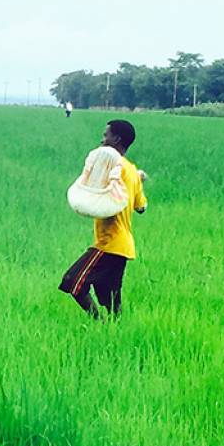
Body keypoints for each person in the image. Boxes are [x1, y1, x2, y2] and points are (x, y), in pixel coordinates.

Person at [58, 119, 146, 320]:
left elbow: (91, 184)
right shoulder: (131, 170)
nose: (102, 139)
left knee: (72, 282)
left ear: (116, 139)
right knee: (111, 301)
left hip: (109, 244)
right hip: (123, 247)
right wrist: (139, 178)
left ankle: (98, 323)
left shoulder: (111, 164)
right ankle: (115, 334)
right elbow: (141, 207)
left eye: (106, 135)